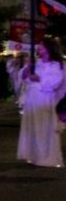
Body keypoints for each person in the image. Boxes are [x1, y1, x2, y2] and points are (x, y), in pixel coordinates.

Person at [16, 38, 65, 168]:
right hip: (32, 98)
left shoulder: (57, 65)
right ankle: (32, 154)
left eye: (42, 47)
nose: (39, 49)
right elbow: (23, 77)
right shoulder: (36, 63)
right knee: (33, 126)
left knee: (45, 127)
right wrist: (27, 69)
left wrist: (39, 79)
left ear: (49, 49)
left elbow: (56, 82)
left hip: (46, 98)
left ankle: (46, 156)